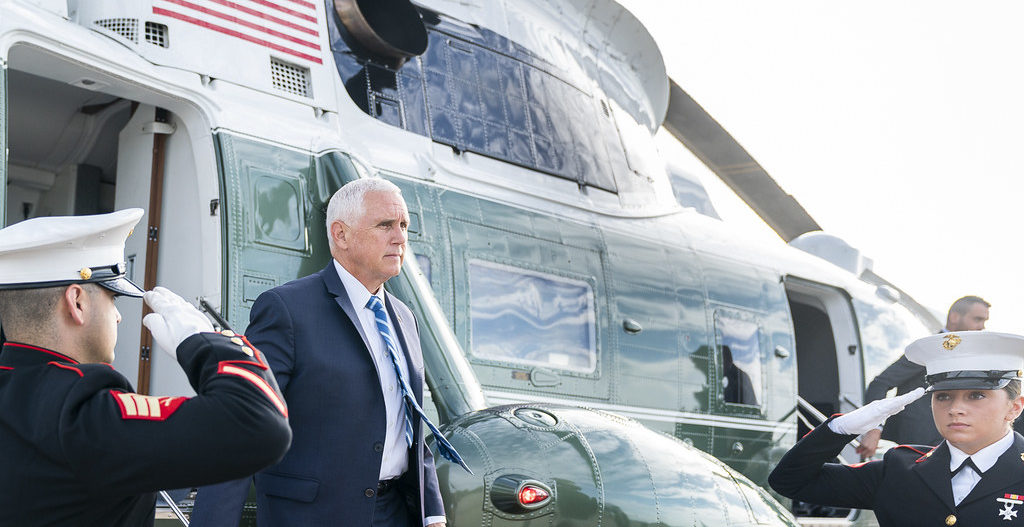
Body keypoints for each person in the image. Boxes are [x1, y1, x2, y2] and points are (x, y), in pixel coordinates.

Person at [191, 178, 468, 527]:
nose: (400, 238)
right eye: (385, 225)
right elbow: (241, 422)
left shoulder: (404, 317)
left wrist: (434, 514)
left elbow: (408, 422)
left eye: (403, 226)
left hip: (394, 514)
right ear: (341, 234)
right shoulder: (286, 309)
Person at [0, 209, 291, 526]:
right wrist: (205, 341)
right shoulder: (80, 413)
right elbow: (259, 424)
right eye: (113, 298)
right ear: (77, 302)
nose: (118, 316)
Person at [770, 331, 1024, 526]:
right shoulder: (899, 469)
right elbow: (789, 481)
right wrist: (841, 427)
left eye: (976, 396)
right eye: (943, 396)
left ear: (1015, 407)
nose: (955, 408)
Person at [857, 295, 991, 457]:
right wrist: (873, 428)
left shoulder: (970, 356)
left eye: (984, 321)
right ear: (955, 317)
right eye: (977, 319)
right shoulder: (929, 348)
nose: (981, 327)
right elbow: (880, 383)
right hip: (910, 447)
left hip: (946, 447)